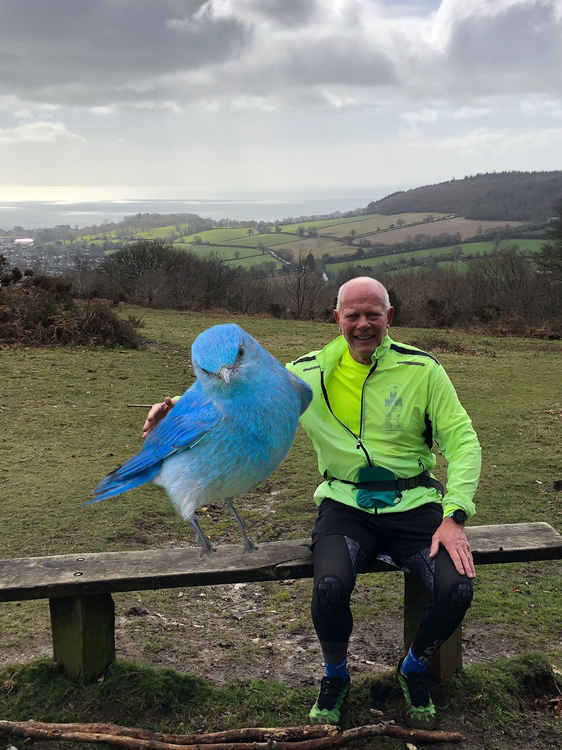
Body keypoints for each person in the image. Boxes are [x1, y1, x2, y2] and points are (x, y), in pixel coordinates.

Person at [142, 276, 481, 729]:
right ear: (336, 318)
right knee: (329, 588)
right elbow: (244, 390)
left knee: (457, 588)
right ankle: (336, 676)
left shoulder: (423, 370)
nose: (363, 324)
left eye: (372, 315)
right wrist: (173, 407)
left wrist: (455, 515)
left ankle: (414, 668)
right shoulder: (308, 371)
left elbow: (462, 443)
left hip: (416, 505)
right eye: (353, 315)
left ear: (389, 318)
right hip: (345, 505)